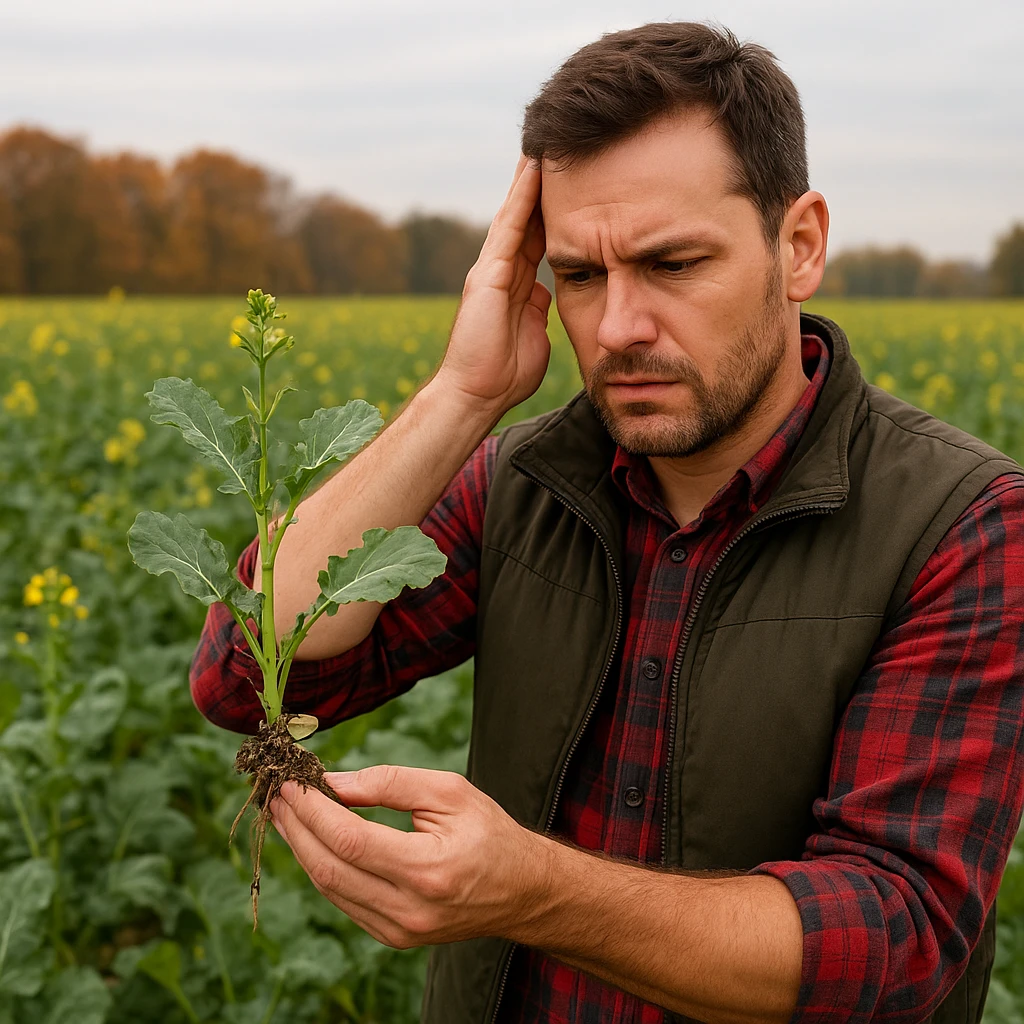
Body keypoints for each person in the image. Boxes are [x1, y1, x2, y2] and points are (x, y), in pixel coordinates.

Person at [189, 21, 1024, 1024]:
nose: (619, 326)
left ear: (796, 246)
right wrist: (462, 396)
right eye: (580, 276)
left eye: (672, 264)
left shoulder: (960, 523)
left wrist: (534, 891)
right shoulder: (521, 477)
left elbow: (894, 937)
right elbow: (250, 674)